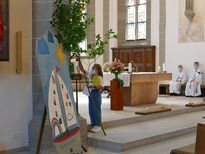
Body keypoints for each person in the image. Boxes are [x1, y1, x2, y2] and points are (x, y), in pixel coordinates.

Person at [78, 60, 104, 133]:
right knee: (91, 109)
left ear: (98, 70)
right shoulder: (91, 76)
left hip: (96, 94)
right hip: (91, 94)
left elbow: (102, 87)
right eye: (92, 68)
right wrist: (79, 61)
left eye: (94, 69)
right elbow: (82, 70)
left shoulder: (99, 77)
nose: (92, 70)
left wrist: (94, 86)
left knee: (96, 109)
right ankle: (94, 124)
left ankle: (98, 125)